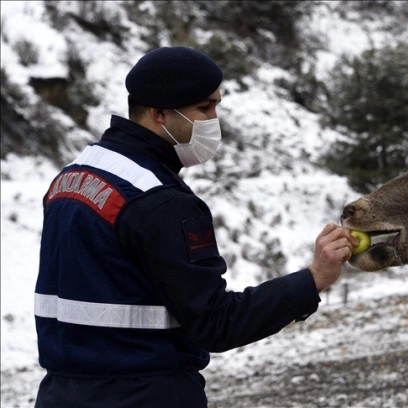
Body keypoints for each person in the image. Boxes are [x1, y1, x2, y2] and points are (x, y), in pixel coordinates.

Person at [33, 46, 357, 407]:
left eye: (216, 106)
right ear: (158, 114)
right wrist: (314, 278)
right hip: (144, 395)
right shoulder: (159, 200)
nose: (213, 120)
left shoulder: (72, 177)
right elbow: (216, 323)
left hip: (59, 393)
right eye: (204, 108)